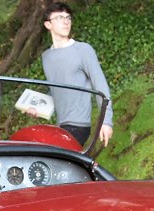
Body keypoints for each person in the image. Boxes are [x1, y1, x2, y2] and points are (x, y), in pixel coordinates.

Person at [40, 2, 113, 148]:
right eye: (60, 18)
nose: (66, 22)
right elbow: (57, 90)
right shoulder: (46, 57)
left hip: (78, 126)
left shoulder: (83, 50)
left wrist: (106, 121)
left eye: (68, 17)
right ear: (48, 25)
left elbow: (100, 86)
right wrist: (38, 108)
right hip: (60, 126)